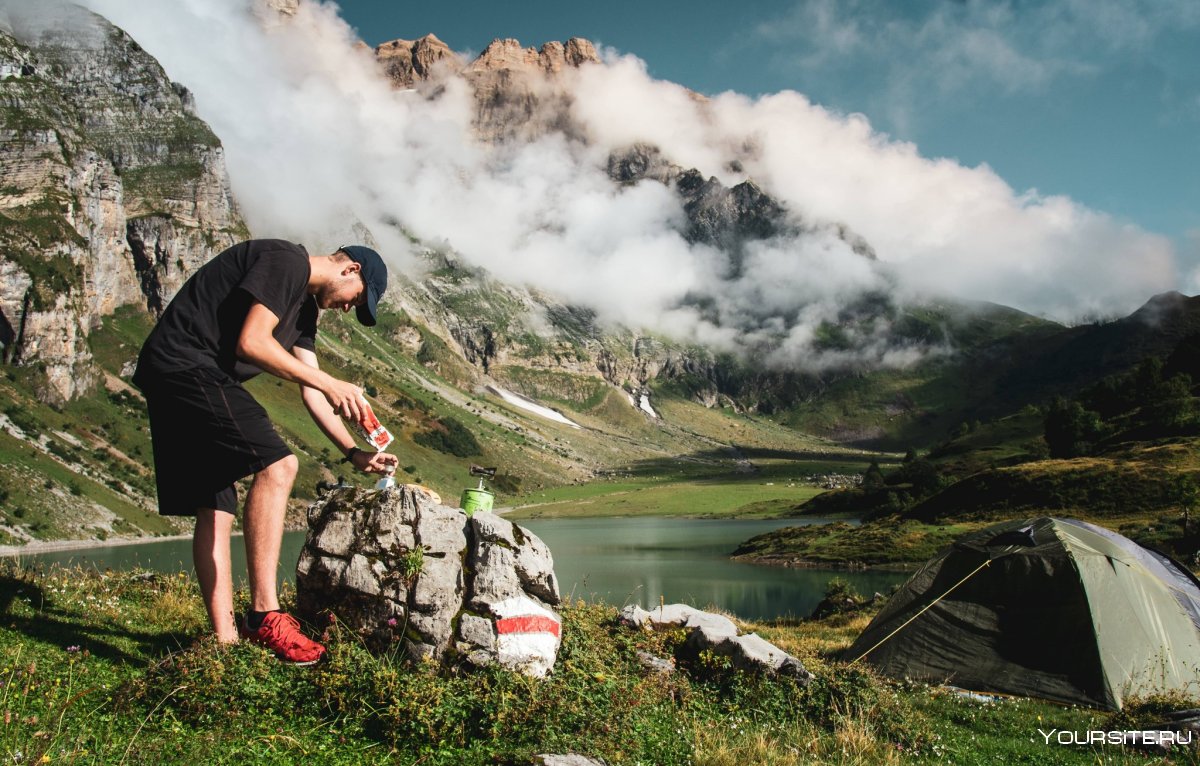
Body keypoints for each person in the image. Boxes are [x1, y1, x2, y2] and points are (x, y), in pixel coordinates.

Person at [132, 239, 399, 664]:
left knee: (216, 504)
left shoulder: (305, 310)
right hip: (189, 365)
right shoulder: (286, 261)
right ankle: (264, 616)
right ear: (351, 270)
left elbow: (311, 389)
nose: (350, 309)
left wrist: (354, 452)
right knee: (279, 464)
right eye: (358, 300)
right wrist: (332, 383)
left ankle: (225, 642)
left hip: (171, 369)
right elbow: (252, 342)